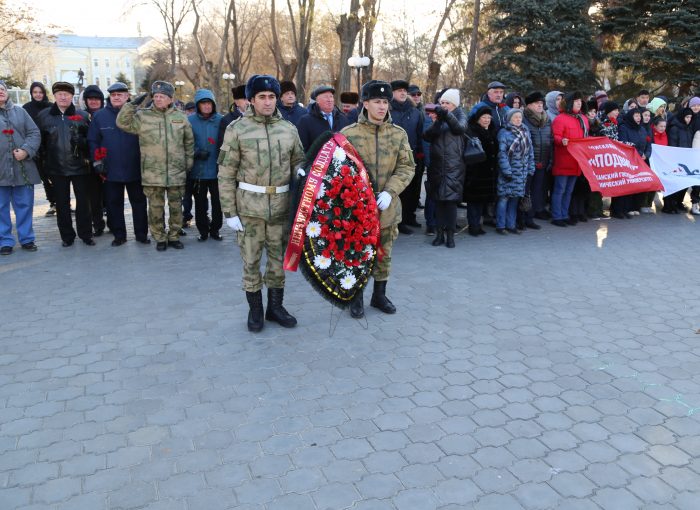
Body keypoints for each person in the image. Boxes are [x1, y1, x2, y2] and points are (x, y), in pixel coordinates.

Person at [218, 74, 305, 332]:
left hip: (280, 208)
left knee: (278, 262)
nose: (267, 102)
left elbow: (298, 163)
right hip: (249, 210)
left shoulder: (289, 129)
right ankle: (255, 310)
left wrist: (302, 173)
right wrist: (229, 211)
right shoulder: (237, 129)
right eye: (261, 97)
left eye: (271, 97)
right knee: (251, 262)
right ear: (252, 100)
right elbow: (225, 173)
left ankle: (275, 307)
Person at [341, 80, 415, 318]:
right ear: (365, 103)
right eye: (377, 102)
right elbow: (339, 172)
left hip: (387, 208)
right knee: (358, 254)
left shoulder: (398, 134)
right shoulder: (348, 134)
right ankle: (356, 296)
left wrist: (390, 191)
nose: (382, 107)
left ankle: (379, 295)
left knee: (384, 253)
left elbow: (407, 167)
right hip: (357, 209)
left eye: (385, 102)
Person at [117, 80, 194, 251]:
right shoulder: (143, 116)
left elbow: (189, 143)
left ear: (170, 99)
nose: (158, 99)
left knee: (176, 207)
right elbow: (122, 123)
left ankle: (174, 236)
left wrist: (187, 164)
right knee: (155, 208)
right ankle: (159, 237)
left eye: (162, 96)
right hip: (152, 173)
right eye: (156, 96)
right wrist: (131, 105)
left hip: (176, 172)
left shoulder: (180, 117)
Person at [88, 82, 149, 246]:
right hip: (110, 169)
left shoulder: (138, 115)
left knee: (139, 203)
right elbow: (93, 140)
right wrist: (97, 161)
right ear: (110, 96)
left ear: (127, 96)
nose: (116, 97)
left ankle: (141, 234)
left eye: (120, 94)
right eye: (113, 95)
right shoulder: (100, 116)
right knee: (114, 204)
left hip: (135, 167)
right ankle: (119, 235)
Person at [36, 82, 94, 246]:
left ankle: (86, 234)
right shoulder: (44, 116)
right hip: (56, 168)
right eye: (60, 94)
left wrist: (81, 141)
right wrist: (43, 166)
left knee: (83, 203)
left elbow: (91, 141)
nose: (63, 97)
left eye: (67, 94)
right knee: (62, 204)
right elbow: (40, 143)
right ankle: (67, 237)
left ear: (72, 97)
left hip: (80, 167)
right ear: (54, 96)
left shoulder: (82, 115)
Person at [0, 80, 42, 255]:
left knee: (24, 204)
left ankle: (27, 238)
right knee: (1, 207)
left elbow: (34, 133)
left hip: (22, 167)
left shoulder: (20, 112)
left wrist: (26, 150)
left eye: (2, 89)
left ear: (7, 92)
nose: (0, 92)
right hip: (1, 169)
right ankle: (5, 241)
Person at [423, 88, 467, 248]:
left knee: (450, 203)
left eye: (447, 103)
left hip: (454, 167)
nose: (443, 105)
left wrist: (445, 115)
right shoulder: (438, 117)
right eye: (441, 102)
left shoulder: (461, 114)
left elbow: (459, 128)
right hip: (437, 166)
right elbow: (427, 136)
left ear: (454, 104)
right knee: (439, 202)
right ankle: (439, 234)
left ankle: (450, 236)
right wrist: (439, 120)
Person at [188, 89, 224, 242]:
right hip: (198, 171)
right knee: (200, 203)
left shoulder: (221, 120)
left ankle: (215, 229)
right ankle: (203, 230)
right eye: (203, 103)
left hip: (217, 170)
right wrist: (195, 152)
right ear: (198, 105)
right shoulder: (190, 121)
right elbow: (184, 142)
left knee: (218, 203)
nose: (207, 106)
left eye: (209, 103)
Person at [390, 79, 424, 234]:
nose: (403, 93)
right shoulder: (388, 111)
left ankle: (409, 216)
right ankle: (398, 221)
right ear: (392, 93)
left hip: (412, 156)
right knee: (397, 189)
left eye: (405, 90)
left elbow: (420, 133)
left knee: (412, 189)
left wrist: (420, 154)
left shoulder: (415, 111)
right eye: (399, 91)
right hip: (392, 157)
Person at [550, 91, 589, 227]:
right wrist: (562, 141)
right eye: (576, 101)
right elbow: (554, 137)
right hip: (564, 159)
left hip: (577, 161)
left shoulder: (583, 119)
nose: (579, 103)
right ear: (569, 103)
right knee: (560, 190)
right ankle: (557, 216)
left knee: (569, 191)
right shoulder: (560, 119)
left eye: (580, 101)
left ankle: (565, 214)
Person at [495, 109, 535, 234]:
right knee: (504, 199)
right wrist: (507, 171)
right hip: (509, 172)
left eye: (520, 117)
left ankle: (511, 225)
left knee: (515, 199)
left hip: (521, 173)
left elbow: (530, 152)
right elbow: (502, 155)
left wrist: (531, 168)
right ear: (509, 119)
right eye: (515, 117)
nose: (518, 119)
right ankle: (500, 226)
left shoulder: (525, 131)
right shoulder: (504, 133)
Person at [464, 105, 499, 236]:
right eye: (483, 117)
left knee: (481, 202)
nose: (486, 120)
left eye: (489, 117)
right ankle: (473, 226)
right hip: (476, 173)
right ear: (477, 118)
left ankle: (478, 225)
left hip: (488, 173)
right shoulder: (473, 131)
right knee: (474, 202)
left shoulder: (491, 131)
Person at [22, 81, 54, 216]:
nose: (38, 95)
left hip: (52, 146)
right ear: (31, 93)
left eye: (40, 92)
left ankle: (64, 202)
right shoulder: (26, 108)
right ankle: (53, 203)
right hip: (36, 148)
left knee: (56, 176)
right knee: (44, 177)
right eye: (35, 92)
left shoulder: (51, 107)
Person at [522, 91, 552, 225]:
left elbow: (550, 140)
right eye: (536, 103)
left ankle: (532, 216)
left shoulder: (546, 119)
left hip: (542, 161)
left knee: (537, 190)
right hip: (527, 162)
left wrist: (549, 159)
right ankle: (523, 217)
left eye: (541, 103)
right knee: (525, 192)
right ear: (528, 105)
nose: (540, 105)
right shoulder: (523, 118)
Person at [82, 84, 108, 237]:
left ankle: (113, 222)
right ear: (86, 101)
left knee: (110, 195)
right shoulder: (82, 116)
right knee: (93, 197)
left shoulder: (106, 114)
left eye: (96, 99)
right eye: (90, 99)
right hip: (88, 162)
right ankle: (98, 224)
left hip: (107, 159)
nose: (93, 101)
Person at [297, 85, 349, 152]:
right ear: (317, 100)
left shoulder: (343, 119)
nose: (329, 100)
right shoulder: (305, 121)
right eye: (326, 97)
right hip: (315, 161)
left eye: (331, 97)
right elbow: (302, 149)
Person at [667, 107, 696, 213]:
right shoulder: (675, 128)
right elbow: (672, 144)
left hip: (686, 159)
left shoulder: (688, 128)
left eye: (690, 117)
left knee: (684, 182)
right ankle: (671, 203)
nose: (688, 119)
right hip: (677, 159)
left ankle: (679, 202)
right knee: (676, 182)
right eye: (687, 117)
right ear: (682, 116)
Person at [422, 103, 437, 235]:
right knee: (432, 194)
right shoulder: (428, 121)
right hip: (433, 163)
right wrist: (429, 162)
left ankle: (439, 221)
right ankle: (430, 223)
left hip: (446, 164)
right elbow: (426, 143)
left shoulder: (448, 120)